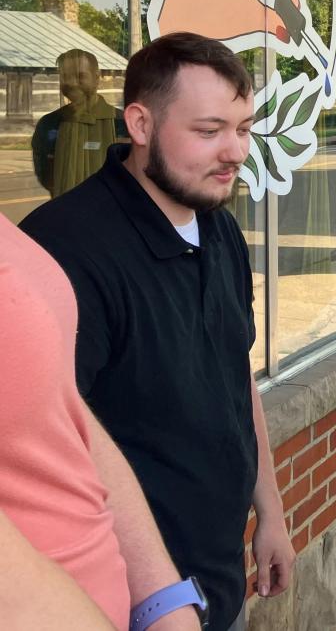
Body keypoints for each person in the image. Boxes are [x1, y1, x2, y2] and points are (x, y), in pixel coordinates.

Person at [21, 33, 294, 630]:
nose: (235, 152)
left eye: (244, 129)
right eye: (209, 130)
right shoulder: (66, 251)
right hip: (123, 601)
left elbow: (233, 370)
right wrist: (157, 601)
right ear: (140, 123)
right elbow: (48, 450)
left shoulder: (216, 226)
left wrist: (269, 511)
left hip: (218, 577)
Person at [1, 214, 204, 631]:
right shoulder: (77, 234)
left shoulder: (218, 233)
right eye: (208, 140)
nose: (236, 154)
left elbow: (59, 406)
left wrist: (163, 600)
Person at [31, 48, 127, 197]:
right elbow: (45, 175)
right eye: (65, 76)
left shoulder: (122, 123)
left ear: (97, 78)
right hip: (64, 213)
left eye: (80, 76)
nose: (72, 83)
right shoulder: (49, 124)